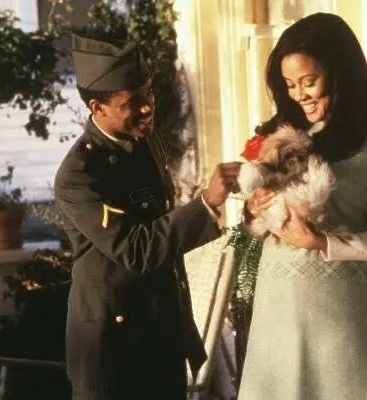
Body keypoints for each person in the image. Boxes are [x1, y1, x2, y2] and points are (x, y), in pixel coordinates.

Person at [54, 29, 241, 400]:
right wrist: (206, 202)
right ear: (98, 108)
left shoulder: (143, 144)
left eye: (149, 93)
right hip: (114, 352)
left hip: (160, 336)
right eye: (132, 101)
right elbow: (138, 249)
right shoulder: (79, 175)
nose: (147, 107)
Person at [238, 12, 367, 400]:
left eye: (309, 81)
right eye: (290, 84)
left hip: (341, 320)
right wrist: (255, 208)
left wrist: (320, 243)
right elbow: (258, 220)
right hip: (277, 313)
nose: (299, 95)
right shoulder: (288, 133)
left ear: (340, 73)